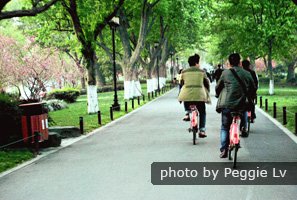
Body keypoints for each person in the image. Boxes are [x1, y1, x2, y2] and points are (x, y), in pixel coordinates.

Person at [215, 53, 256, 158]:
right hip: (242, 104)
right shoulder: (247, 73)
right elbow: (253, 87)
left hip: (227, 105)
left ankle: (224, 149)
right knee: (244, 112)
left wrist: (218, 94)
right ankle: (243, 128)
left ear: (229, 62)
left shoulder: (225, 73)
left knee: (225, 127)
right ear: (240, 62)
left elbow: (218, 87)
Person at [178, 54, 211, 138]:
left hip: (187, 94)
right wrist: (207, 91)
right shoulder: (202, 72)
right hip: (199, 95)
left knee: (186, 98)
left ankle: (187, 112)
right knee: (202, 112)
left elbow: (181, 83)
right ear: (197, 63)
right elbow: (206, 83)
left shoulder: (184, 72)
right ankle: (202, 130)